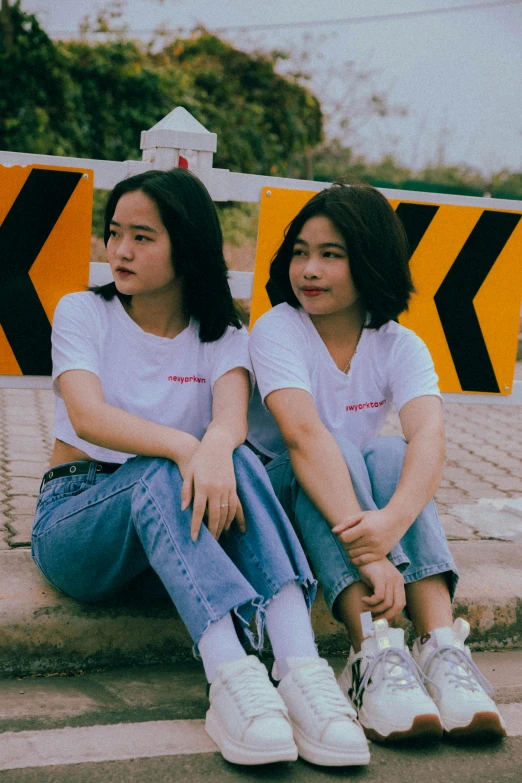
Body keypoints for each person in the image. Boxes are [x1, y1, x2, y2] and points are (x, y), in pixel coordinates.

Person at [31, 168, 371, 767]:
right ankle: (232, 678)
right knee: (167, 466)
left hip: (172, 532)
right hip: (79, 523)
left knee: (236, 457)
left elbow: (231, 423)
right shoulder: (84, 312)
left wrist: (211, 447)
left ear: (185, 246)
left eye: (142, 236)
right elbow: (86, 416)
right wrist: (189, 448)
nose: (120, 251)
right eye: (114, 234)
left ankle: (299, 668)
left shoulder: (222, 335)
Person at [247, 182, 506, 742]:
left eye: (330, 255)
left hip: (350, 515)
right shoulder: (277, 329)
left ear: (370, 262)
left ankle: (440, 647)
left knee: (393, 451)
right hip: (275, 501)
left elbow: (430, 437)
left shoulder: (399, 344)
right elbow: (301, 435)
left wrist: (387, 527)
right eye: (300, 252)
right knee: (337, 449)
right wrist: (376, 555)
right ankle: (372, 651)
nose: (309, 269)